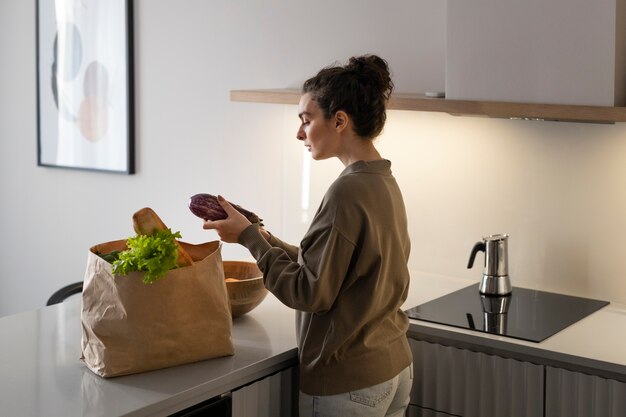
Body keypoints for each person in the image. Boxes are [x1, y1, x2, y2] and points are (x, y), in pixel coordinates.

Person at [203, 54, 413, 417]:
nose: (300, 133)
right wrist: (262, 237)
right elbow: (329, 266)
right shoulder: (383, 181)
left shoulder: (346, 192)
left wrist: (249, 240)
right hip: (393, 367)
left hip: (348, 380)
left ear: (340, 121)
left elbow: (310, 291)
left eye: (306, 120)